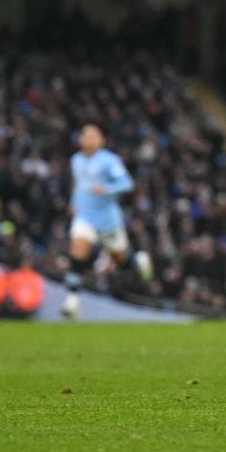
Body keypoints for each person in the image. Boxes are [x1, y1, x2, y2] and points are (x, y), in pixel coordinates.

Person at [62, 124, 152, 318]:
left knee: (121, 260)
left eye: (93, 135)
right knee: (77, 253)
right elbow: (78, 185)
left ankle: (138, 260)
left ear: (101, 141)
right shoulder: (76, 160)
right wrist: (73, 203)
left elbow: (127, 184)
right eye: (85, 135)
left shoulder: (109, 160)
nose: (89, 138)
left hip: (107, 220)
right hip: (84, 217)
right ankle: (72, 300)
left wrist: (107, 189)